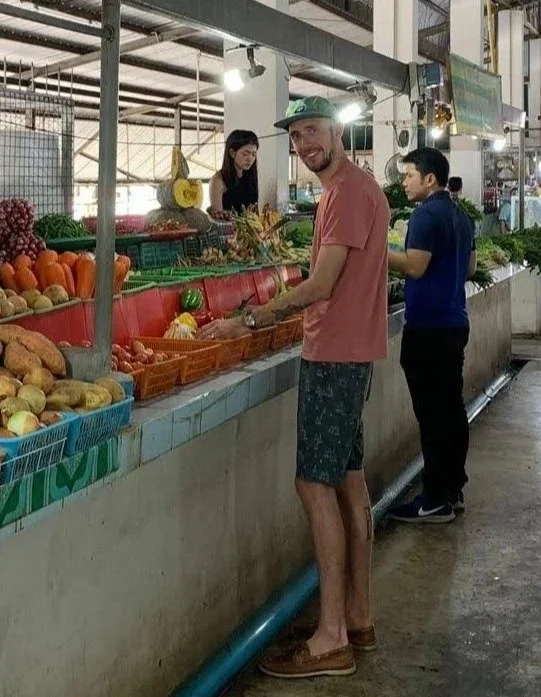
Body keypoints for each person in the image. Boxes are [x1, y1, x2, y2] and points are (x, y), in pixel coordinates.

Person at [197, 97, 389, 679]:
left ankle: (330, 640)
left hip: (334, 354)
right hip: (352, 352)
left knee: (313, 485)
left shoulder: (348, 192)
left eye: (313, 132)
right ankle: (356, 615)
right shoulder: (348, 192)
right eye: (297, 137)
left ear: (337, 131)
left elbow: (323, 284)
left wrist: (251, 318)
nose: (305, 145)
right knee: (349, 482)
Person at [387, 148, 476, 523]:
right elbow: (470, 268)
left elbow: (415, 267)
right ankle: (452, 489)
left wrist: (376, 249)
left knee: (432, 415)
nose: (404, 182)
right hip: (455, 322)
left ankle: (434, 499)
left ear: (429, 180)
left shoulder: (425, 215)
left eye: (409, 175)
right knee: (452, 410)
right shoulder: (462, 215)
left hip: (429, 329)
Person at [208, 129, 259, 214]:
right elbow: (218, 219)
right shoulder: (217, 181)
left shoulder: (250, 177)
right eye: (245, 154)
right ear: (232, 153)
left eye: (254, 154)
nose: (250, 159)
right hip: (227, 226)